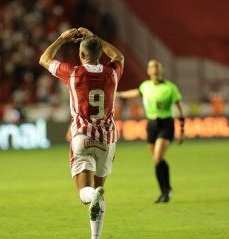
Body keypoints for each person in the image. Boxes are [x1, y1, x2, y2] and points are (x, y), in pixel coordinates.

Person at [39, 27, 124, 239]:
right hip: (107, 139)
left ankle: (93, 195)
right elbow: (118, 56)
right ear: (99, 53)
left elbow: (44, 58)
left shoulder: (74, 73)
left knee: (85, 193)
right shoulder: (112, 73)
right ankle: (95, 237)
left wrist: (61, 39)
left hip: (82, 137)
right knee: (99, 189)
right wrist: (93, 36)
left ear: (82, 54)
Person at [117, 59, 185, 203]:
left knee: (158, 156)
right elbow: (135, 93)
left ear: (161, 70)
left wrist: (182, 129)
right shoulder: (145, 86)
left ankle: (166, 191)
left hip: (166, 123)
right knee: (156, 160)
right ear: (148, 71)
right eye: (152, 67)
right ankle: (165, 191)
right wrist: (118, 94)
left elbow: (180, 108)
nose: (155, 70)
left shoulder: (170, 88)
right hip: (151, 125)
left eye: (157, 67)